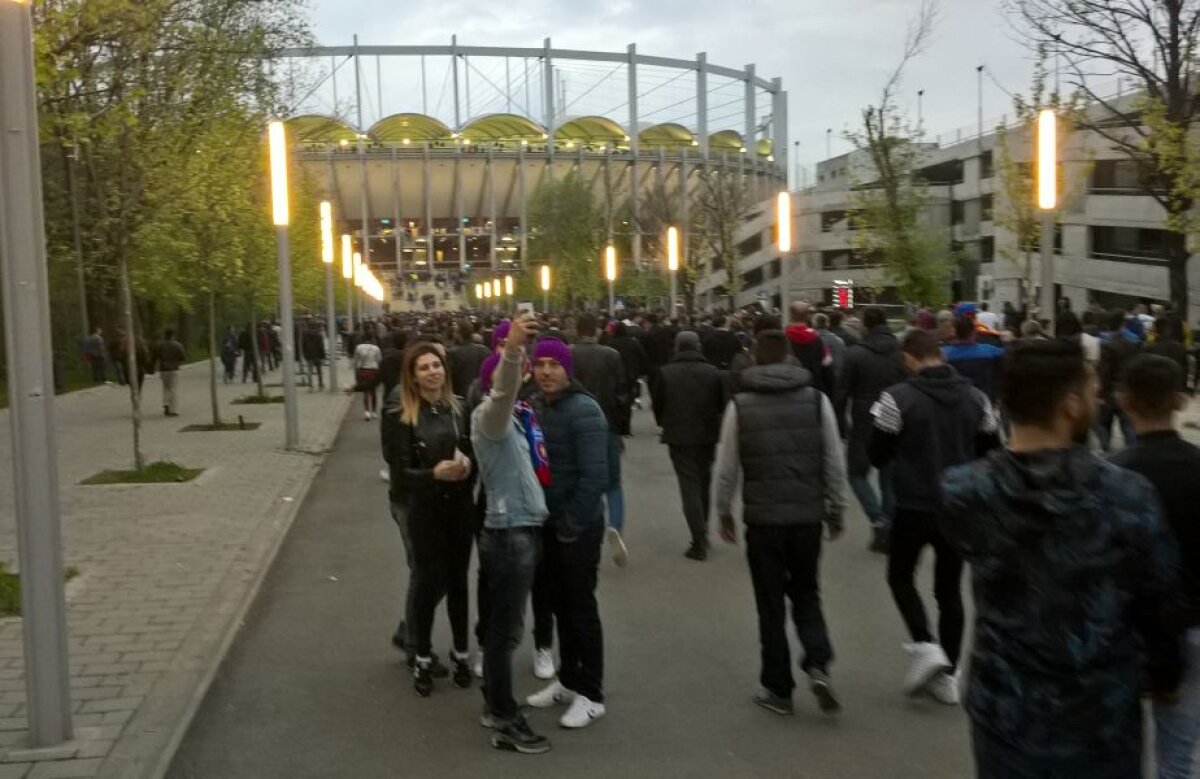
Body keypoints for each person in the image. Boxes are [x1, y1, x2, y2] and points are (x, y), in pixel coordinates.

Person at [941, 340, 1182, 777]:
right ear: (1070, 405)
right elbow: (1160, 598)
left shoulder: (963, 491)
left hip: (1006, 710)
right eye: (1092, 392)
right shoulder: (1127, 495)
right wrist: (1165, 674)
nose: (1098, 401)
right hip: (1101, 715)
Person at [713, 330, 848, 715]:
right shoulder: (816, 401)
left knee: (769, 604)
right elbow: (833, 459)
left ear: (755, 359)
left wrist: (724, 511)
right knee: (807, 591)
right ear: (790, 358)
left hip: (763, 521)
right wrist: (836, 508)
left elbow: (727, 466)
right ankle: (818, 662)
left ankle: (778, 687)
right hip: (806, 517)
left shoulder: (740, 406)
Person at [870, 329, 1000, 705]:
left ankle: (925, 644)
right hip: (958, 505)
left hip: (912, 503)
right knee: (949, 589)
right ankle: (950, 675)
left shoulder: (896, 398)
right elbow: (991, 451)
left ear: (910, 358)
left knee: (900, 576)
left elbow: (877, 453)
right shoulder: (976, 398)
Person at [1110, 354, 1198, 779]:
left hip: (1121, 628)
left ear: (1123, 401)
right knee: (1178, 754)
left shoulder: (1110, 474)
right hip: (1194, 621)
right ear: (1180, 400)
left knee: (1114, 746)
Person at [471, 314, 551, 754]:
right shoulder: (492, 416)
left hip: (521, 528)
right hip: (509, 533)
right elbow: (502, 392)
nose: (523, 375)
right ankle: (503, 716)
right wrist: (514, 348)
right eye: (514, 372)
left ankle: (495, 704)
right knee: (505, 632)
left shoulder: (518, 418)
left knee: (504, 628)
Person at [525, 339, 611, 730]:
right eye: (540, 364)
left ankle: (592, 694)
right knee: (559, 606)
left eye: (553, 364)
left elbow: (595, 476)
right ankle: (569, 679)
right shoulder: (538, 405)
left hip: (577, 528)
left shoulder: (584, 409)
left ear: (567, 369)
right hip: (546, 524)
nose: (546, 371)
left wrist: (570, 524)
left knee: (580, 610)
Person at [385, 343, 476, 697]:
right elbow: (399, 472)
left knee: (458, 582)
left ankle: (461, 653)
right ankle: (421, 655)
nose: (432, 372)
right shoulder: (403, 415)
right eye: (423, 367)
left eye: (436, 365)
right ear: (413, 376)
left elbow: (472, 450)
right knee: (426, 582)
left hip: (459, 506)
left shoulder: (460, 408)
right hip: (424, 508)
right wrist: (432, 474)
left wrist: (467, 465)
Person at [651, 331, 727, 560]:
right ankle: (703, 529)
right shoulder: (713, 373)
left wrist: (663, 422)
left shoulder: (665, 373)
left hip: (678, 434)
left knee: (689, 485)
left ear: (677, 347)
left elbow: (658, 403)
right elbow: (720, 404)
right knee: (704, 482)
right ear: (698, 347)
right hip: (707, 434)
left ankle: (698, 538)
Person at [837, 307, 906, 553]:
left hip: (864, 420)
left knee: (857, 474)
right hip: (895, 415)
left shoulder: (855, 354)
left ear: (865, 325)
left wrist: (839, 422)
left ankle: (878, 520)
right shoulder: (901, 352)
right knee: (889, 478)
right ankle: (888, 526)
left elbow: (842, 391)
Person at [571, 313, 630, 567]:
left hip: (576, 426)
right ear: (596, 331)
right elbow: (622, 393)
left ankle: (583, 531)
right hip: (608, 424)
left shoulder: (569, 354)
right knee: (613, 482)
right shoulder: (611, 356)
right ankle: (615, 524)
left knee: (581, 480)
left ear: (576, 330)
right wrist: (622, 427)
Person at [1096, 309, 1142, 450]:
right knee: (1128, 428)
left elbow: (1104, 373)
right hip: (1127, 391)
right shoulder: (1133, 344)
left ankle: (1106, 454)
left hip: (1110, 393)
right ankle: (1133, 454)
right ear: (1123, 324)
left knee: (1104, 426)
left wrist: (1100, 394)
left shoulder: (1107, 346)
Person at [942, 316, 1004, 399]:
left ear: (953, 333)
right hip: (984, 399)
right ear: (974, 332)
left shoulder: (943, 354)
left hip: (954, 399)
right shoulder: (990, 351)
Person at [785, 301, 833, 394]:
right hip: (813, 387)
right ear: (807, 316)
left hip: (790, 388)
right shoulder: (816, 337)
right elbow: (827, 363)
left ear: (791, 316)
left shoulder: (783, 337)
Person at [449, 320, 490, 397]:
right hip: (482, 394)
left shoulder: (454, 353)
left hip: (462, 396)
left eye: (455, 331)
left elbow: (451, 379)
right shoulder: (485, 350)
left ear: (458, 334)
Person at [353, 334, 383, 421]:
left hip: (363, 371)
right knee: (373, 392)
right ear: (372, 339)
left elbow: (356, 361)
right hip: (373, 371)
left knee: (365, 392)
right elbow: (379, 361)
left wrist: (356, 373)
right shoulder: (376, 348)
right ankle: (374, 412)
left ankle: (367, 412)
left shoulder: (358, 347)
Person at [155, 329, 185, 417]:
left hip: (163, 369)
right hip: (174, 369)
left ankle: (166, 404)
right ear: (173, 335)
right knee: (173, 388)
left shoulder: (160, 345)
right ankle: (173, 410)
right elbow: (183, 357)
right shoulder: (178, 345)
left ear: (165, 335)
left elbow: (156, 356)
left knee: (166, 387)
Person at [301, 322, 326, 391]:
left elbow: (303, 346)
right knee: (319, 371)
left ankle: (310, 387)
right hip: (318, 355)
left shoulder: (304, 335)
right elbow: (321, 347)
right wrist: (323, 357)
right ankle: (320, 385)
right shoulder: (319, 335)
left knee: (309, 371)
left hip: (309, 355)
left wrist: (304, 355)